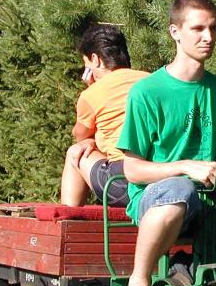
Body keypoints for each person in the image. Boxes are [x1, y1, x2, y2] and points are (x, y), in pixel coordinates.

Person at [115, 0, 216, 286]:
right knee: (180, 189)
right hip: (156, 197)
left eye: (213, 28)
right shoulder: (147, 92)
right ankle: (137, 282)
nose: (208, 37)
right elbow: (133, 170)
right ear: (175, 32)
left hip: (210, 196)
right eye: (198, 28)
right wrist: (187, 167)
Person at [59, 23, 149, 207]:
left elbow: (80, 136)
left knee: (75, 152)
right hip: (159, 175)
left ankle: (67, 219)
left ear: (95, 59)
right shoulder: (151, 80)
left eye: (87, 65)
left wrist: (92, 88)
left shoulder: (92, 94)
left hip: (122, 184)